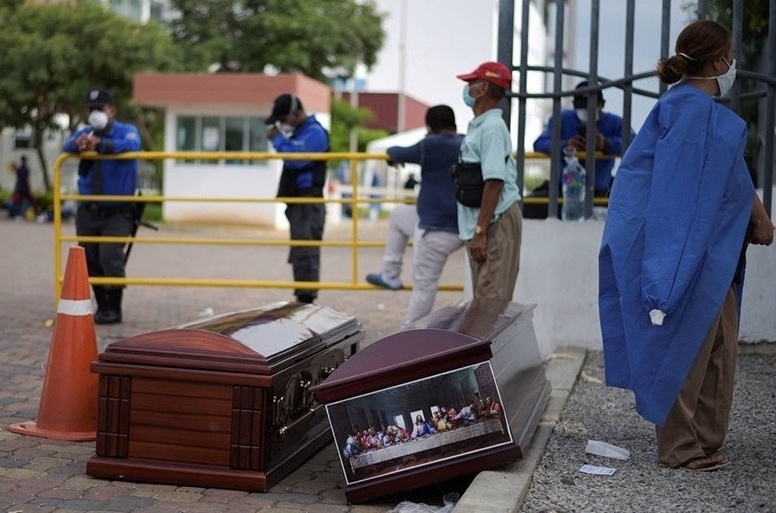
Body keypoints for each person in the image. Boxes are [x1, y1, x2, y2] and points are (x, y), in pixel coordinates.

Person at [598, 20, 775, 472]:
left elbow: (730, 175)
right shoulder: (693, 114)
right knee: (689, 344)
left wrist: (755, 217)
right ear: (719, 62)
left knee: (717, 345)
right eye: (731, 55)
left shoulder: (694, 112)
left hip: (708, 251)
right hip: (688, 251)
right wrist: (668, 270)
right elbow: (680, 199)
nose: (734, 62)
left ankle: (704, 439)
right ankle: (680, 446)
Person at [365, 105, 464, 327]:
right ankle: (390, 275)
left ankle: (409, 337)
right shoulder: (466, 142)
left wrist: (394, 158)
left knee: (424, 287)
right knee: (399, 215)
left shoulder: (429, 145)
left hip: (437, 228)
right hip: (462, 224)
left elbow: (395, 152)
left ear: (430, 127)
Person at [62, 88, 141, 325]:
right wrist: (80, 144)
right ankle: (103, 307)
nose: (94, 113)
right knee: (90, 260)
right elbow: (66, 146)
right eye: (90, 109)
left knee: (110, 257)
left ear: (112, 110)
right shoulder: (85, 132)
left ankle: (114, 307)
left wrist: (102, 145)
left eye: (99, 108)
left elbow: (132, 144)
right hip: (89, 210)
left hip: (118, 211)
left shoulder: (126, 131)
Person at [455, 61, 523, 300]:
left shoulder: (491, 128)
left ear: (483, 88)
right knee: (484, 300)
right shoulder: (482, 126)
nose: (467, 89)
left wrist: (480, 232)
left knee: (490, 303)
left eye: (470, 84)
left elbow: (494, 182)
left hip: (494, 222)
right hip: (486, 221)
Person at [530, 81, 634, 218]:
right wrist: (565, 145)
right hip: (564, 193)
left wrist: (606, 144)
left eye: (590, 108)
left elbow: (636, 144)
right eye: (581, 108)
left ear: (602, 105)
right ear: (573, 105)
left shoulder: (615, 123)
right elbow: (540, 143)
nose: (585, 112)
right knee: (528, 207)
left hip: (600, 194)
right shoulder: (562, 119)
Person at [265, 94, 330, 304]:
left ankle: (306, 299)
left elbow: (296, 159)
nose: (282, 124)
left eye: (283, 119)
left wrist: (277, 139)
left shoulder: (315, 133)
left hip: (308, 203)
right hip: (299, 204)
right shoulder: (301, 133)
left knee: (306, 252)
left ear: (296, 114)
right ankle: (303, 297)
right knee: (301, 252)